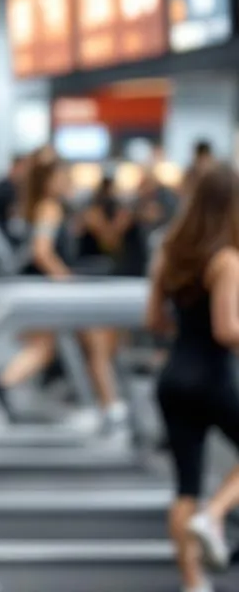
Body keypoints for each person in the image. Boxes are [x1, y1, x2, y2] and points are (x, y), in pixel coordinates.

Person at [148, 165, 239, 592]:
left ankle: (193, 583)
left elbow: (153, 319)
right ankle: (216, 512)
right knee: (207, 488)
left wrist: (187, 330)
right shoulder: (226, 259)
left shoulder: (170, 250)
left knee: (185, 483)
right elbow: (227, 330)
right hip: (213, 377)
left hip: (173, 377)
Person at [0, 157, 125, 430]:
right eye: (62, 176)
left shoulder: (45, 207)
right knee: (95, 341)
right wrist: (66, 281)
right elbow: (42, 251)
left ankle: (106, 405)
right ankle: (109, 406)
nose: (67, 180)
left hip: (43, 290)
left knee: (47, 348)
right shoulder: (49, 208)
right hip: (50, 291)